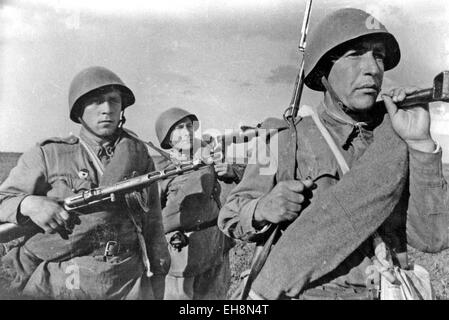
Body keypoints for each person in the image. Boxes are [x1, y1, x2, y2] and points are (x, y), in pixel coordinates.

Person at [218, 8, 449, 300]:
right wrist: (262, 208)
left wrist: (420, 143)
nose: (373, 68)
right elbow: (230, 215)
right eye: (355, 54)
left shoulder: (395, 136)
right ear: (323, 72)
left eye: (378, 55)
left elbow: (433, 237)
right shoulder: (285, 141)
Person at [0, 66, 170, 299]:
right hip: (68, 279)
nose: (107, 110)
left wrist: (159, 271)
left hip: (127, 278)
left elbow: (153, 222)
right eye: (96, 102)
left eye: (114, 101)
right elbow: (3, 199)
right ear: (79, 110)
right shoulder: (51, 154)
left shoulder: (136, 154)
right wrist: (30, 204)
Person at [154, 107, 244, 299]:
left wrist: (232, 171)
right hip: (182, 250)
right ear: (168, 137)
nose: (186, 132)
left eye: (188, 126)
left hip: (214, 245)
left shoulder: (208, 158)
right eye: (179, 128)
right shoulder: (161, 171)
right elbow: (151, 215)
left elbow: (250, 179)